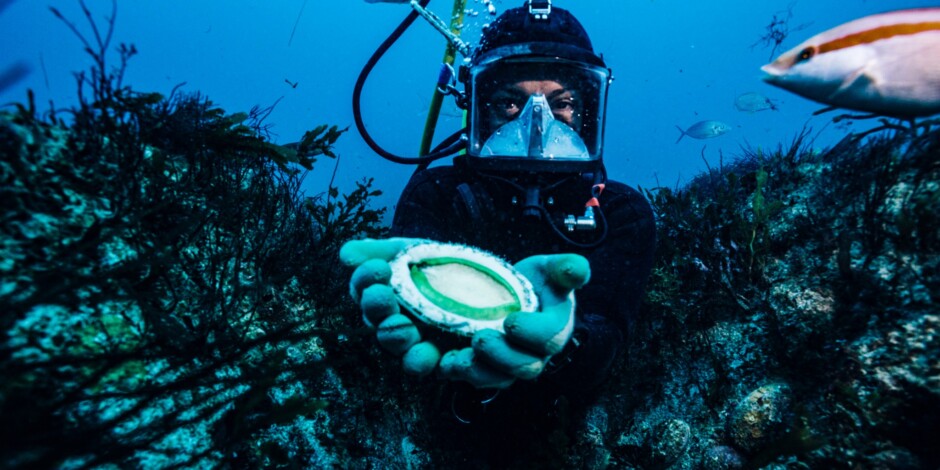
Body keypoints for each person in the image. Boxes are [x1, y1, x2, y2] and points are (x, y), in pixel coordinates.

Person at [343, 1, 654, 411]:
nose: (536, 123)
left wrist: (561, 344)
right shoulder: (437, 192)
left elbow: (606, 340)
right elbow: (407, 325)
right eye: (511, 103)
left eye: (562, 103)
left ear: (586, 111)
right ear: (479, 107)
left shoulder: (618, 212)